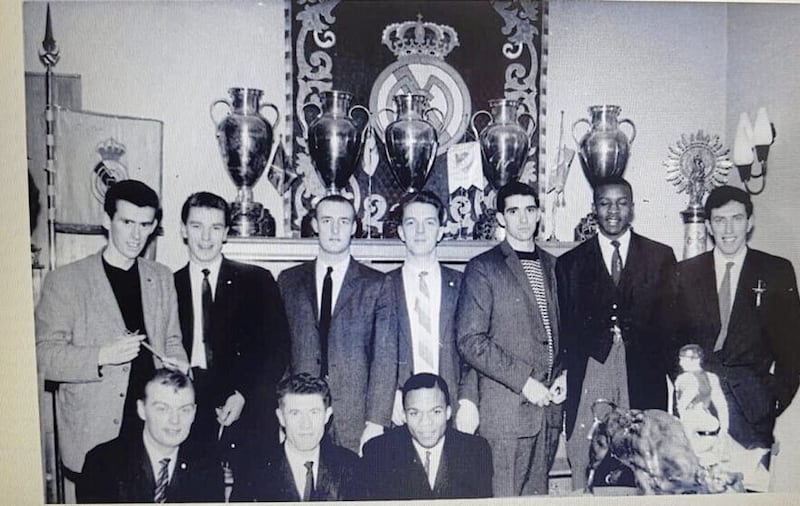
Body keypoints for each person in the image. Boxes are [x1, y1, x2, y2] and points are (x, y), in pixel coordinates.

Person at [35, 180, 188, 496]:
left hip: (151, 428)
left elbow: (172, 339)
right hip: (96, 433)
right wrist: (101, 355)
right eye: (127, 222)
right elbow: (42, 357)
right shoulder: (65, 281)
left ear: (155, 226)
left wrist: (179, 362)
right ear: (107, 221)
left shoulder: (160, 276)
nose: (136, 235)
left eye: (145, 225)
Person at [555, 177, 677, 490]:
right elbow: (566, 329)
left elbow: (669, 327)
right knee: (589, 458)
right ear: (594, 208)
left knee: (644, 461)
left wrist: (681, 380)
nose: (613, 210)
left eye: (621, 202)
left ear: (632, 208)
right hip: (592, 373)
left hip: (642, 377)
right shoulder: (570, 263)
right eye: (605, 203)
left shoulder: (660, 257)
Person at [676, 185, 800, 485]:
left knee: (748, 490)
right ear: (707, 225)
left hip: (752, 410)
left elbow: (793, 351)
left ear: (750, 222)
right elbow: (670, 341)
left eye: (736, 218)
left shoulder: (776, 271)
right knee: (696, 490)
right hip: (696, 410)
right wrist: (687, 388)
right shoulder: (684, 273)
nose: (728, 229)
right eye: (719, 220)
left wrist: (770, 401)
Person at [456, 181, 564, 496]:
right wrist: (525, 381)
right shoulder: (483, 268)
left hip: (547, 414)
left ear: (539, 214)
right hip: (505, 413)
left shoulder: (554, 266)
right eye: (513, 211)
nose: (523, 219)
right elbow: (470, 340)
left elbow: (561, 334)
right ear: (501, 218)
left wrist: (564, 373)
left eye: (530, 210)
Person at [174, 192, 290, 465]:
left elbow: (278, 349)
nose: (205, 238)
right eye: (196, 227)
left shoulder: (257, 280)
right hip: (189, 402)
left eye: (215, 228)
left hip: (247, 399)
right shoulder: (168, 285)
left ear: (226, 232)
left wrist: (244, 394)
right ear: (183, 230)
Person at [277, 195, 395, 454]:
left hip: (353, 415)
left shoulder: (377, 284)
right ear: (315, 224)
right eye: (327, 220)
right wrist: (284, 411)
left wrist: (375, 421)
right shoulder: (289, 281)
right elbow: (280, 353)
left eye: (343, 221)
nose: (334, 229)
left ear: (354, 227)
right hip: (302, 414)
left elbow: (384, 359)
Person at [383, 191, 479, 433]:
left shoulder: (463, 284)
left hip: (452, 408)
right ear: (401, 232)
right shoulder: (382, 286)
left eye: (429, 223)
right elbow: (377, 352)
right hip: (400, 410)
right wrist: (390, 394)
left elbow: (473, 349)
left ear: (441, 230)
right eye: (411, 223)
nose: (420, 231)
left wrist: (468, 399)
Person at [78, 369, 223, 503]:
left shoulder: (208, 464)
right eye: (162, 409)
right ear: (142, 410)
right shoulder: (102, 464)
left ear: (194, 413)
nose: (175, 420)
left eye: (184, 410)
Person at [231, 373, 364, 501]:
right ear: (281, 417)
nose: (305, 424)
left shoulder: (351, 467)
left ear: (327, 415)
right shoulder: (252, 472)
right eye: (295, 413)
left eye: (314, 412)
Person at [362, 373, 493, 500]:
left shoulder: (476, 451)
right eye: (415, 413)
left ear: (448, 412)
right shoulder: (378, 453)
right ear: (404, 416)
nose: (425, 422)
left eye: (435, 411)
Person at [674, 344, 730, 466]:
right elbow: (721, 405)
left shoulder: (684, 379)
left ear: (696, 360)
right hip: (711, 427)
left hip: (691, 430)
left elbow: (681, 408)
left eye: (683, 359)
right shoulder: (712, 378)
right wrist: (724, 428)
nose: (680, 363)